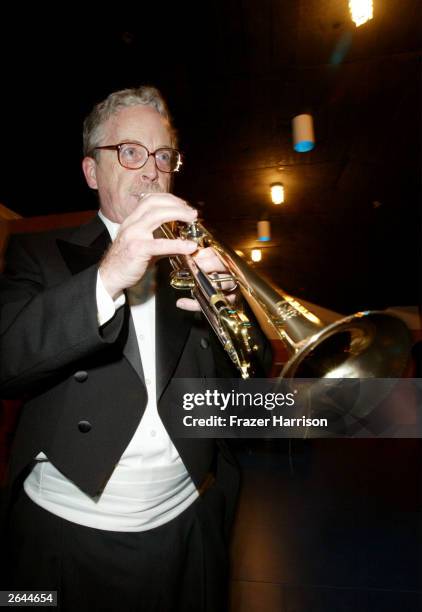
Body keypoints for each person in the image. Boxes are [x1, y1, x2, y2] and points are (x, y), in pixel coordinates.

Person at [0, 85, 244, 612]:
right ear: (92, 172)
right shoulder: (37, 253)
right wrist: (108, 276)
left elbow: (245, 390)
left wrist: (229, 316)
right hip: (62, 537)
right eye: (130, 152)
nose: (151, 170)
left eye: (163, 156)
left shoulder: (198, 261)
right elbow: (7, 362)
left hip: (188, 526)